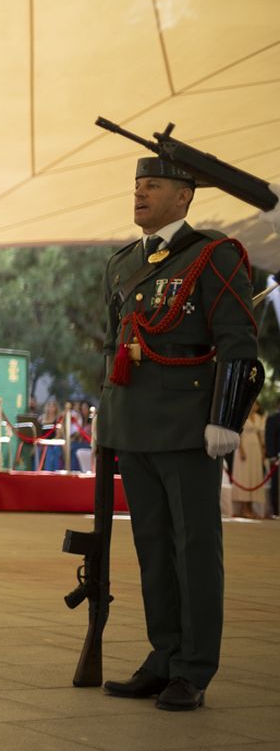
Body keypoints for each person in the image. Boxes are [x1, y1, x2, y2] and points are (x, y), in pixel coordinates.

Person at [97, 155, 258, 712]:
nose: (140, 194)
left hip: (189, 426)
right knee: (153, 550)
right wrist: (106, 416)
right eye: (137, 185)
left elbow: (238, 340)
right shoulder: (122, 264)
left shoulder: (214, 255)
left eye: (153, 185)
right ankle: (162, 656)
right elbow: (112, 349)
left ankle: (193, 668)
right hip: (135, 425)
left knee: (194, 550)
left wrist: (227, 417)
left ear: (183, 197)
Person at [230, 402, 266, 520]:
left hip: (255, 449)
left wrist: (262, 451)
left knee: (254, 477)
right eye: (253, 404)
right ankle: (244, 508)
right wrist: (241, 450)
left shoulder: (259, 418)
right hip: (244, 447)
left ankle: (250, 507)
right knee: (244, 476)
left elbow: (260, 435)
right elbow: (237, 434)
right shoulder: (241, 416)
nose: (254, 407)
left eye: (256, 405)